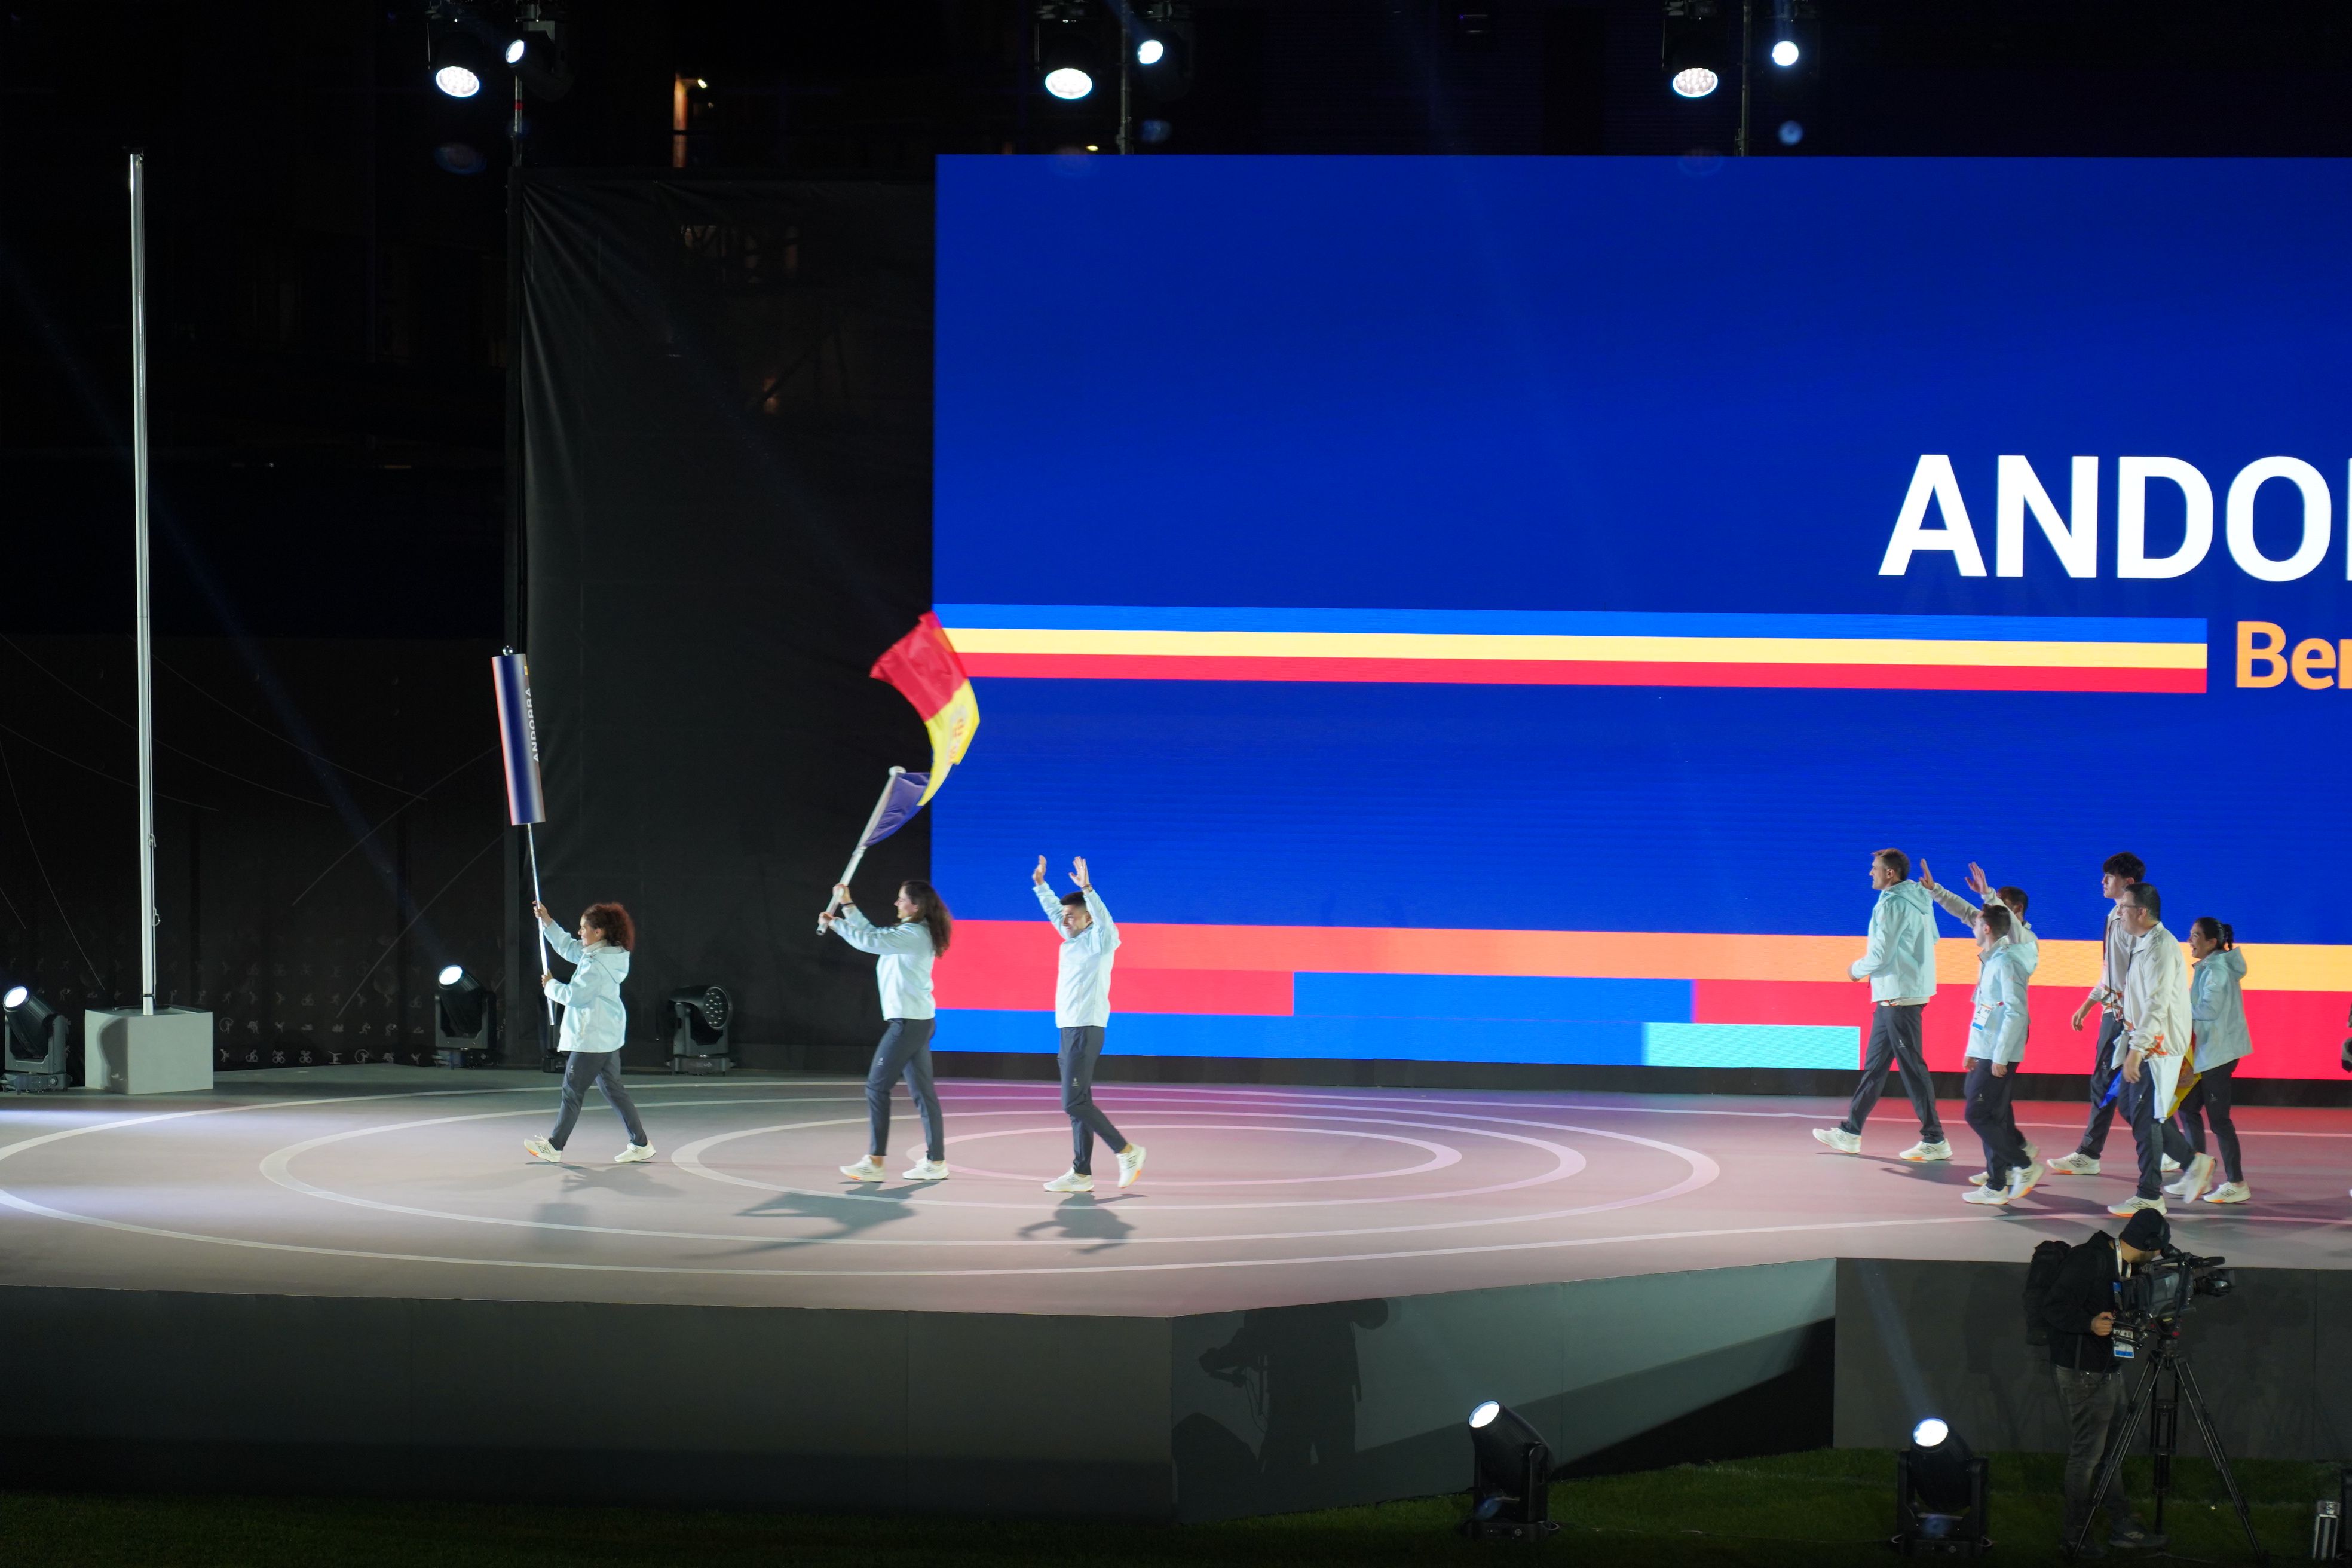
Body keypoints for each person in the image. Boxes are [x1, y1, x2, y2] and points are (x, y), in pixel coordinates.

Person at [2039, 1206, 2171, 1557]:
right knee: (2087, 1456)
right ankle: (2075, 1536)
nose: (2159, 1255)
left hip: (2107, 1368)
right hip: (2084, 1372)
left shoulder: (2128, 1267)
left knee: (2111, 1452)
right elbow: (2052, 1308)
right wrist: (2089, 1324)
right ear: (2146, 1243)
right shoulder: (2089, 1260)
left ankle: (2120, 1524)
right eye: (2158, 1248)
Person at [1814, 848, 1947, 1161]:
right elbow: (1935, 939)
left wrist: (1855, 970)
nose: (1870, 873)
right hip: (1898, 994)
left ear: (1890, 873)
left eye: (1874, 868)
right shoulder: (1919, 898)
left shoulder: (1893, 904)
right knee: (1875, 1068)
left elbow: (1880, 955)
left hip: (1898, 996)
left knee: (1913, 1069)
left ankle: (1935, 1138)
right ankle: (1850, 1132)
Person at [1922, 861, 2042, 1192]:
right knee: (1992, 1107)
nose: (1983, 913)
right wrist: (1936, 891)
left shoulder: (2022, 941)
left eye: (1992, 907)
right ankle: (2001, 1168)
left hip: (2005, 1033)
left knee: (1982, 1109)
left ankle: (2016, 1162)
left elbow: (2013, 1013)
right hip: (1989, 1035)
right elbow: (1968, 913)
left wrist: (1990, 893)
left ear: (2014, 911)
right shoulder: (1995, 945)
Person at [823, 879, 952, 1183]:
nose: (896, 904)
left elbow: (869, 943)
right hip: (916, 1021)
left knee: (876, 1087)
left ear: (916, 906)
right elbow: (873, 934)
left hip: (908, 1024)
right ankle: (936, 1162)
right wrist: (847, 905)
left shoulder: (914, 934)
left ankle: (875, 1162)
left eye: (901, 899)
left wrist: (837, 926)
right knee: (923, 1094)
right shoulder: (908, 932)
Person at [1034, 855, 1144, 1194]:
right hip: (1068, 1030)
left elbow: (1106, 922)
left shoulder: (1100, 941)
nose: (1064, 920)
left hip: (1086, 1029)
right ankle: (1081, 1174)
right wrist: (1041, 885)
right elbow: (1056, 911)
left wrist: (1088, 889)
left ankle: (1127, 1152)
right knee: (1077, 1105)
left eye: (1072, 916)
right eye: (1065, 916)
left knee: (1073, 1102)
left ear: (1088, 919)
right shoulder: (1072, 939)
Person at [2047, 853, 2157, 1180]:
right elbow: (2112, 971)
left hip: (2124, 1016)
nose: (2102, 882)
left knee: (2110, 1085)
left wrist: (2124, 1015)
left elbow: (2134, 975)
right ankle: (2167, 1150)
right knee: (2115, 1087)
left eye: (2109, 877)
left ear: (2129, 883)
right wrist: (2089, 1003)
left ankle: (2091, 1153)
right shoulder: (2115, 916)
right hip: (2113, 1011)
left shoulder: (2132, 923)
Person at [523, 900, 652, 1165]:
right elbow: (569, 947)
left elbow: (576, 996)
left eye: (584, 928)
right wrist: (547, 922)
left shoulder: (596, 965)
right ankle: (640, 1143)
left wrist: (551, 986)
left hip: (591, 1038)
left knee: (572, 1091)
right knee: (614, 1090)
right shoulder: (605, 954)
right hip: (606, 1036)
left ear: (599, 932)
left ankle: (554, 1146)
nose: (580, 932)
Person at [2108, 884, 2192, 1218]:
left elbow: (2156, 1006)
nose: (2119, 913)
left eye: (2124, 907)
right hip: (2143, 1042)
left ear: (2142, 912)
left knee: (2146, 1117)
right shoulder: (2144, 943)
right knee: (2133, 1109)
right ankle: (2192, 1161)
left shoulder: (2161, 948)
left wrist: (2137, 1051)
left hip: (2155, 1047)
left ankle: (2149, 1194)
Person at [2169, 917, 2247, 1205]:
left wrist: (2174, 1005)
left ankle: (2237, 1182)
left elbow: (2209, 1009)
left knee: (2219, 1121)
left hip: (2219, 1054)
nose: (2190, 941)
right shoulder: (2210, 966)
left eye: (2195, 936)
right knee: (2188, 1109)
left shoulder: (2217, 969)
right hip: (2207, 1052)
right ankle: (2195, 1172)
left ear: (2211, 941)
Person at [1959, 903, 2032, 1205]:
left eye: (1976, 925)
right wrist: (1971, 1050)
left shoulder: (2006, 961)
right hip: (1985, 1049)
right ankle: (1997, 1183)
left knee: (1976, 1113)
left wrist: (2000, 1056)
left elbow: (2016, 1013)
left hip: (1997, 1053)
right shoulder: (1989, 961)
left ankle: (2025, 1165)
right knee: (1995, 1117)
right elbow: (1984, 1010)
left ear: (1986, 928)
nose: (1973, 929)